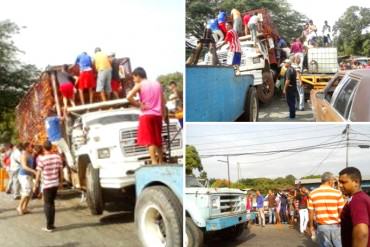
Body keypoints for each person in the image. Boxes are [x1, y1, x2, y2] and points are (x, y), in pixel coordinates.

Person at [127, 67, 166, 164]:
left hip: (146, 115)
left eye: (134, 78)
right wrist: (163, 115)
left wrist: (139, 105)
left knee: (150, 140)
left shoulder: (140, 84)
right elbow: (163, 101)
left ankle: (153, 161)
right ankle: (161, 161)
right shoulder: (157, 84)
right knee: (158, 139)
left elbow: (128, 97)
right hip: (157, 115)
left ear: (138, 76)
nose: (134, 80)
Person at [307, 172, 344, 247]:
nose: (333, 182)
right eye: (333, 181)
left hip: (322, 227)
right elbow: (341, 212)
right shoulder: (337, 193)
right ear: (330, 181)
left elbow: (311, 213)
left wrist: (311, 226)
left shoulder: (312, 193)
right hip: (336, 226)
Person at [34, 140, 63, 232]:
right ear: (51, 147)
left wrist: (36, 184)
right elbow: (61, 171)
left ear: (43, 148)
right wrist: (61, 182)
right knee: (52, 204)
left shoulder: (42, 159)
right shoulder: (57, 157)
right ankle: (52, 224)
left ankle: (49, 226)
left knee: (47, 205)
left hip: (47, 184)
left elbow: (38, 173)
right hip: (55, 183)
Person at [339, 167, 370, 247]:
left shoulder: (357, 200)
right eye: (339, 182)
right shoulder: (359, 198)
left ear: (356, 182)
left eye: (343, 182)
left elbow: (362, 232)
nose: (340, 186)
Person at [17, 142, 37, 215]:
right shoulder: (23, 154)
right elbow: (24, 166)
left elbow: (31, 162)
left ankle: (25, 208)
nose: (32, 148)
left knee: (30, 192)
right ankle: (19, 207)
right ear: (26, 148)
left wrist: (34, 154)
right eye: (31, 146)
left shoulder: (30, 154)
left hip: (29, 175)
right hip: (23, 175)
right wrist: (34, 171)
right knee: (26, 191)